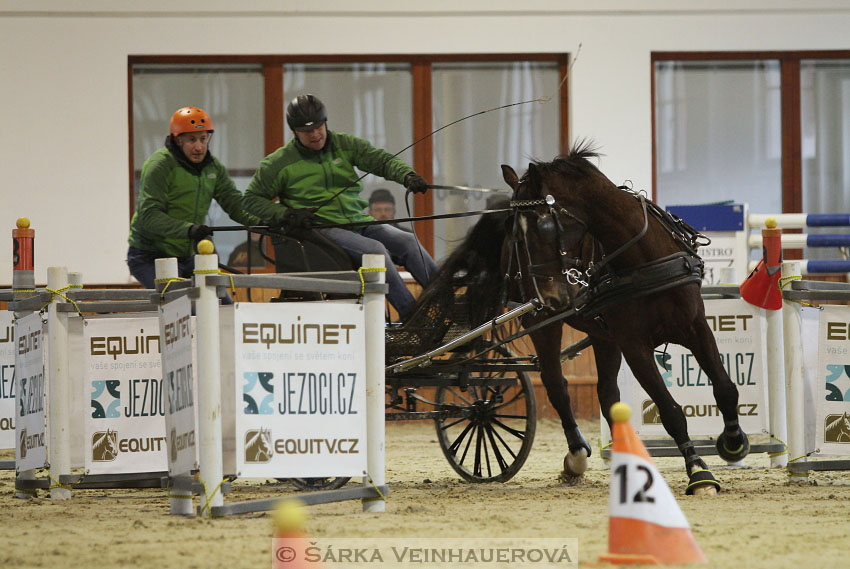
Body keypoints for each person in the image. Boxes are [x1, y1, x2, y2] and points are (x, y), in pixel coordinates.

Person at [243, 94, 438, 320]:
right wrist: (287, 214)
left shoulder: (345, 144)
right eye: (307, 131)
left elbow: (381, 160)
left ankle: (447, 302)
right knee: (376, 252)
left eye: (319, 127)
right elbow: (250, 200)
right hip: (323, 230)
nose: (315, 134)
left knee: (407, 242)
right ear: (294, 132)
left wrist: (407, 175)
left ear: (325, 122)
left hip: (359, 221)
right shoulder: (278, 163)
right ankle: (413, 318)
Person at [127, 106, 259, 291]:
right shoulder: (160, 165)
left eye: (203, 139)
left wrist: (267, 222)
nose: (199, 146)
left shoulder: (213, 168)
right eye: (191, 140)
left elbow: (234, 203)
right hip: (151, 256)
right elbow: (149, 216)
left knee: (221, 304)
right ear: (177, 140)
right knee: (181, 306)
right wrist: (189, 230)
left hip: (189, 255)